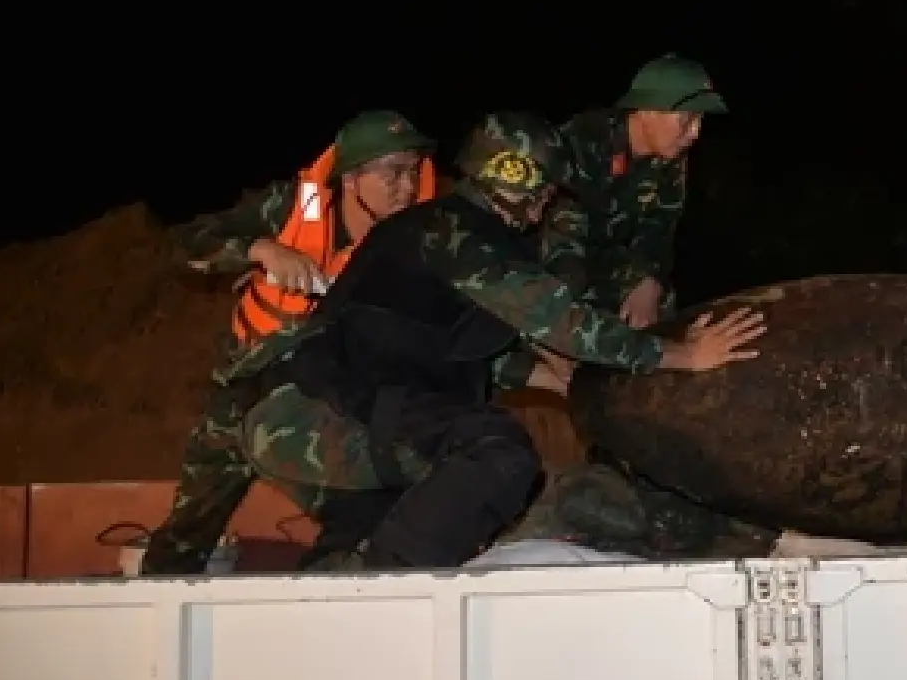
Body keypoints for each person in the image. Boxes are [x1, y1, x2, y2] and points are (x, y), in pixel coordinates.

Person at [139, 111, 767, 575]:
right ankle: (387, 586)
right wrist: (677, 356)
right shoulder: (458, 234)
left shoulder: (451, 234)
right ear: (524, 184)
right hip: (313, 409)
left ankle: (337, 590)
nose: (407, 183)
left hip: (342, 407)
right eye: (545, 190)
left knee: (379, 518)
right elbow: (555, 317)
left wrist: (581, 386)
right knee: (497, 455)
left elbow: (486, 353)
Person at [172, 110, 437, 347]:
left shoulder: (422, 240)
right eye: (393, 174)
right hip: (253, 361)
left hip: (331, 377)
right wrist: (262, 249)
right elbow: (187, 243)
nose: (409, 187)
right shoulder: (288, 207)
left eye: (413, 172)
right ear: (350, 180)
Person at [556, 54, 725, 329]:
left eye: (701, 119)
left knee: (658, 300)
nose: (695, 132)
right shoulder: (579, 146)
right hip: (548, 265)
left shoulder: (670, 156)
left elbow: (659, 225)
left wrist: (648, 281)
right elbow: (562, 248)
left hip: (604, 257)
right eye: (686, 119)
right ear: (646, 110)